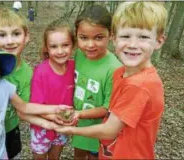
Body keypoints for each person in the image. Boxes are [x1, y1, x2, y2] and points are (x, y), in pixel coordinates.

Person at [55, 2, 167, 159]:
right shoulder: (122, 73)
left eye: (143, 37)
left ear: (159, 41)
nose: (133, 45)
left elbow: (110, 129)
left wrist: (70, 130)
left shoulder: (140, 85)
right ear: (115, 38)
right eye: (126, 36)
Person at [70, 5, 122, 159]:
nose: (90, 45)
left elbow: (108, 108)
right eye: (84, 37)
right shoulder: (79, 54)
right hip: (78, 124)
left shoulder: (114, 68)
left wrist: (79, 113)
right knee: (78, 155)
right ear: (76, 35)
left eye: (99, 37)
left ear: (111, 35)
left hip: (99, 129)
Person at [30, 19, 76, 160]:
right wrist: (55, 118)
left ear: (73, 45)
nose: (60, 51)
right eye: (54, 46)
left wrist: (66, 119)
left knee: (55, 156)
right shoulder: (41, 72)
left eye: (65, 45)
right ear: (47, 48)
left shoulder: (74, 67)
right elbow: (36, 106)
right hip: (42, 126)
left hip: (62, 126)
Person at [0, 8, 32, 159]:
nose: (10, 41)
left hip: (10, 129)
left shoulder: (27, 72)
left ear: (26, 36)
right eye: (2, 35)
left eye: (16, 33)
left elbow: (24, 107)